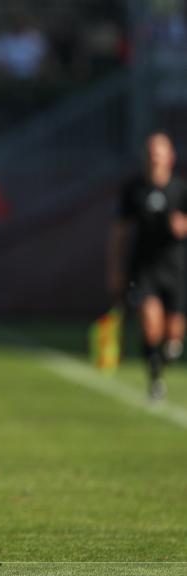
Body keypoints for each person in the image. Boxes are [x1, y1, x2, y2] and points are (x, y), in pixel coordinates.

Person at [108, 131, 187, 400]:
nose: (155, 158)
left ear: (170, 157)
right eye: (151, 152)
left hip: (176, 270)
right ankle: (154, 378)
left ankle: (161, 359)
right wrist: (116, 271)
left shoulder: (181, 189)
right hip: (145, 270)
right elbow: (119, 233)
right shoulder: (134, 190)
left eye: (160, 152)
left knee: (174, 338)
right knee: (151, 324)